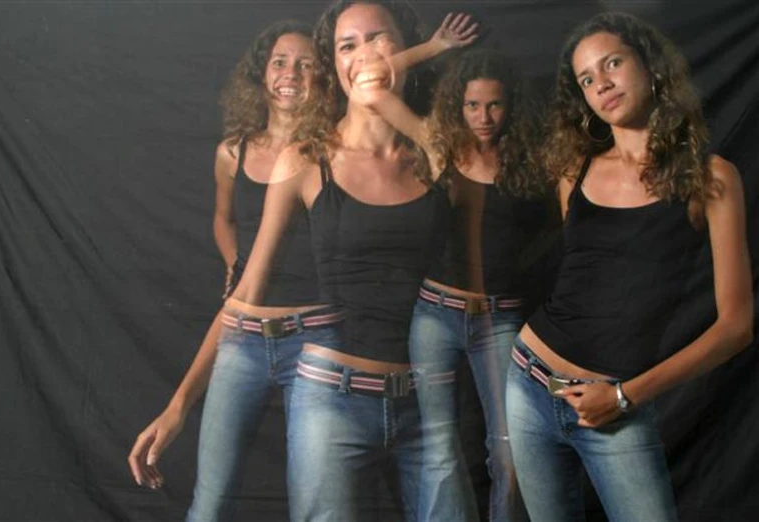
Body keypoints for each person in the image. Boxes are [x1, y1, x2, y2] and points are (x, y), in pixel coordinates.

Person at [228, 2, 477, 520]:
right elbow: (247, 294)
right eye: (347, 45)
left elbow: (475, 296)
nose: (364, 54)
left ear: (404, 49)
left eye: (378, 39)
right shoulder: (306, 158)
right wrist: (181, 403)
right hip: (330, 402)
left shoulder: (444, 157)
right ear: (335, 65)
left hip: (430, 402)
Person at [505, 12, 753, 522]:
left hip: (616, 407)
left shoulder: (711, 178)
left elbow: (737, 326)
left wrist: (622, 397)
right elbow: (582, 280)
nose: (603, 84)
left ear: (650, 65)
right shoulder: (577, 169)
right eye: (587, 79)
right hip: (529, 382)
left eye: (612, 63)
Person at [127, 21, 343, 522]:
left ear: (325, 79)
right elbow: (225, 219)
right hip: (243, 331)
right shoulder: (233, 151)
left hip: (317, 338)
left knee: (319, 506)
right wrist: (232, 259)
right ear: (262, 73)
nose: (291, 73)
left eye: (307, 64)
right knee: (210, 502)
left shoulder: (333, 153)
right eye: (281, 62)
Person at [354, 47, 549, 521]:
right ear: (457, 107)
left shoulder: (535, 161)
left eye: (495, 105)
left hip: (499, 319)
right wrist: (435, 47)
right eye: (473, 105)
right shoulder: (441, 147)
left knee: (510, 452)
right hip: (435, 316)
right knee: (438, 447)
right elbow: (370, 85)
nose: (484, 117)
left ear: (511, 106)